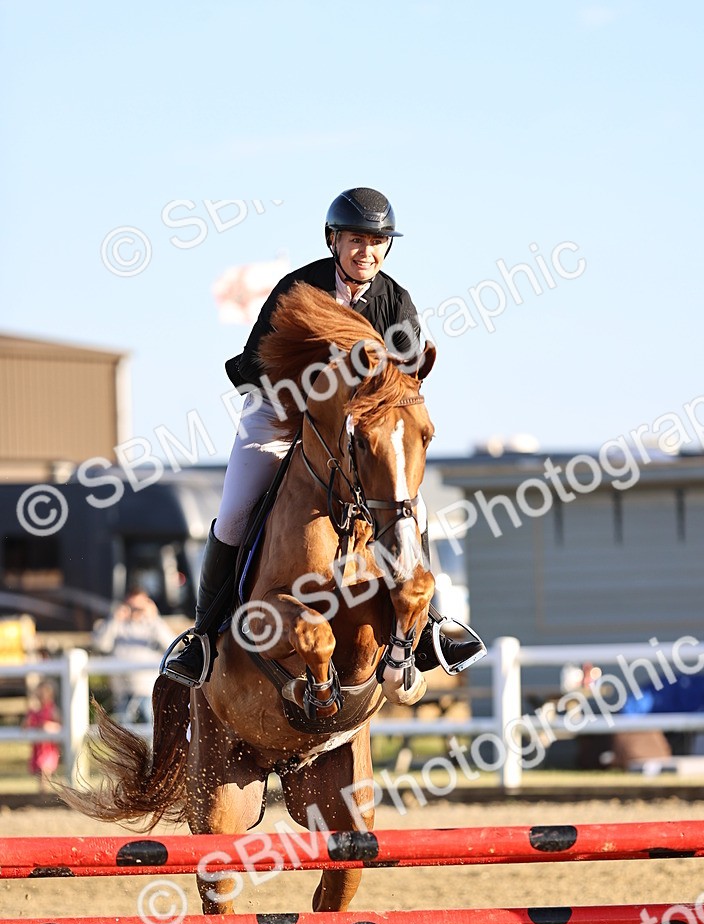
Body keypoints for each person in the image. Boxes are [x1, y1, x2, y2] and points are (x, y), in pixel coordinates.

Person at [164, 187, 486, 687]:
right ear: (334, 241)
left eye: (377, 242)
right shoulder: (299, 287)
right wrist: (312, 386)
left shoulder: (395, 301)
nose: (367, 252)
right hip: (279, 410)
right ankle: (204, 638)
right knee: (233, 514)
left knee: (409, 506)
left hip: (355, 427)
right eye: (357, 240)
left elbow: (404, 382)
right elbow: (251, 366)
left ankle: (426, 628)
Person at [93, 590, 174, 723]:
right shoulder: (118, 624)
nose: (136, 611)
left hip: (148, 689)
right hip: (122, 689)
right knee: (125, 733)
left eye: (139, 607)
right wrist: (114, 619)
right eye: (132, 607)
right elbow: (101, 645)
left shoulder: (153, 624)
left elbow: (172, 645)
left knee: (152, 729)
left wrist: (155, 618)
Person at [25, 680, 61, 791]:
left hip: (48, 746)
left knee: (45, 768)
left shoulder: (52, 710)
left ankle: (44, 791)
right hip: (38, 746)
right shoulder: (34, 711)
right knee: (39, 770)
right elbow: (26, 724)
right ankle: (42, 792)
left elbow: (60, 725)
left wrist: (47, 726)